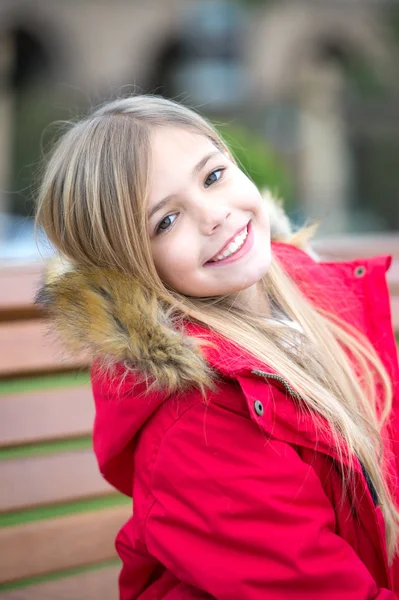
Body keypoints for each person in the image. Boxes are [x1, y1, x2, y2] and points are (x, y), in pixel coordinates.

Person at [35, 95, 399, 599]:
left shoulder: (312, 300)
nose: (214, 215)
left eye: (212, 176)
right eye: (165, 221)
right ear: (133, 272)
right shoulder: (197, 424)